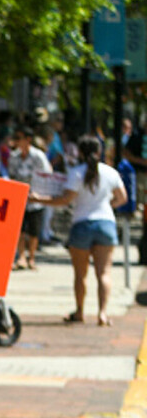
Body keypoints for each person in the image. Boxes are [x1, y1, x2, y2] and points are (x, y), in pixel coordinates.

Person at [31, 135, 127, 326]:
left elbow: (64, 200)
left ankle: (80, 311)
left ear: (81, 152)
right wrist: (108, 205)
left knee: (80, 274)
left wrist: (38, 199)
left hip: (81, 225)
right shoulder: (111, 173)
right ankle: (102, 313)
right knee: (104, 273)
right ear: (99, 152)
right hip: (106, 223)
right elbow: (122, 198)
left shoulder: (76, 174)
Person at [8, 125, 50, 270]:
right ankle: (21, 257)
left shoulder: (38, 156)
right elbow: (12, 174)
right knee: (20, 229)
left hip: (36, 198)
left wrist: (40, 193)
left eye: (19, 138)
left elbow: (46, 174)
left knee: (34, 230)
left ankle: (31, 257)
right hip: (20, 198)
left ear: (28, 139)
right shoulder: (14, 157)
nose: (17, 141)